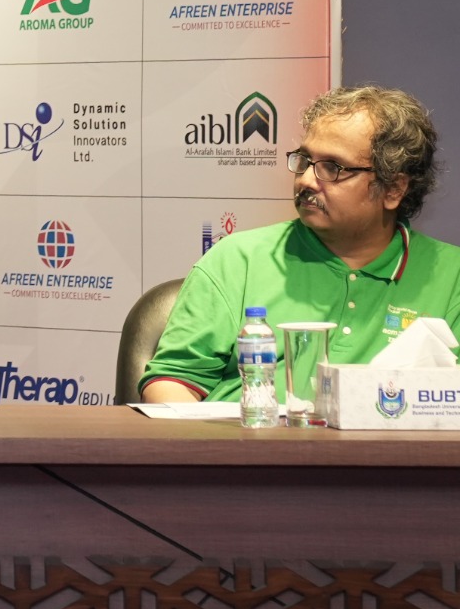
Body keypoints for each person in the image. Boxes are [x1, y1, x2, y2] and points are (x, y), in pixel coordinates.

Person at [143, 85, 460, 402]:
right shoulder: (237, 260)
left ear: (393, 189)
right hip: (248, 432)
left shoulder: (452, 277)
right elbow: (171, 383)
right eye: (305, 160)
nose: (306, 180)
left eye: (332, 167)